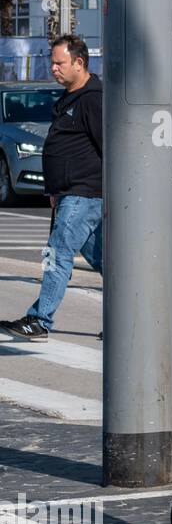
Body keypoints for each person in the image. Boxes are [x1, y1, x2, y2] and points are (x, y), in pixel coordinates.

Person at [1, 35, 103, 342]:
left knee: (57, 252)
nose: (53, 68)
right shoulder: (70, 98)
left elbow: (110, 148)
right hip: (68, 194)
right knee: (106, 262)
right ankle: (130, 318)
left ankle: (39, 320)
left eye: (59, 63)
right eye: (52, 62)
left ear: (79, 62)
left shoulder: (93, 98)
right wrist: (55, 192)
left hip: (84, 193)